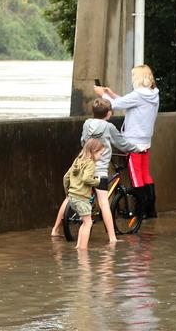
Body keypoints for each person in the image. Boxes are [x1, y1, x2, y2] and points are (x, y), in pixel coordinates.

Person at [50, 98, 140, 244]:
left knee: (70, 198)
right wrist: (138, 148)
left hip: (82, 164)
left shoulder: (87, 123)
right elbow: (122, 144)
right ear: (109, 113)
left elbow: (82, 141)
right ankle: (112, 238)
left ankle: (55, 229)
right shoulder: (108, 127)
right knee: (104, 202)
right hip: (99, 169)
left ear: (93, 112)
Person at [96, 64, 160, 218]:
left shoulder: (138, 94)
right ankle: (150, 210)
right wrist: (112, 94)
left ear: (138, 77)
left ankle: (140, 211)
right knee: (145, 174)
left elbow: (114, 105)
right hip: (145, 141)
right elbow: (127, 102)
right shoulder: (153, 94)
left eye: (133, 76)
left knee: (136, 175)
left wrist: (102, 95)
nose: (132, 79)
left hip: (132, 141)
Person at [61, 138, 105, 249]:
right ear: (94, 152)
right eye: (101, 154)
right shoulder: (90, 163)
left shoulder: (78, 160)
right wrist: (97, 182)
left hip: (72, 197)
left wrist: (68, 192)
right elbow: (86, 179)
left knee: (85, 222)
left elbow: (66, 177)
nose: (102, 157)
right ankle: (83, 250)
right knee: (88, 223)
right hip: (81, 198)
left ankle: (78, 246)